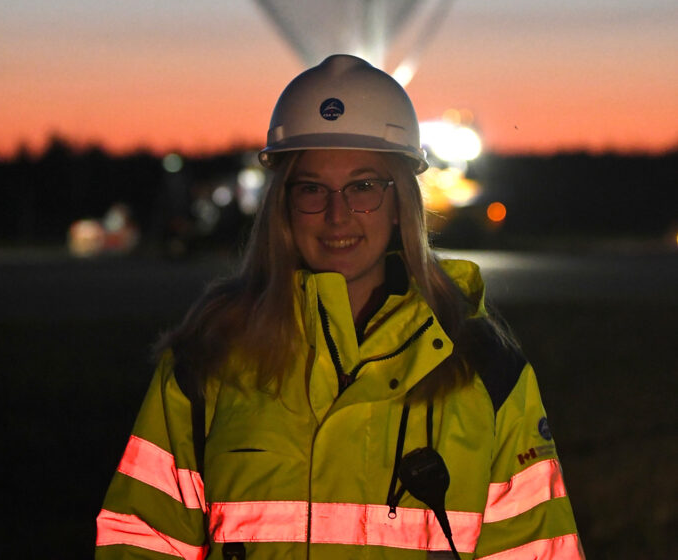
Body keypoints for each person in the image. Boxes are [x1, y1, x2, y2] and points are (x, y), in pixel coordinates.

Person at [96, 54, 584, 559]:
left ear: (401, 203)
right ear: (282, 204)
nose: (337, 214)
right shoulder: (208, 360)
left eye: (363, 187)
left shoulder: (486, 370)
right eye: (312, 189)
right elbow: (141, 541)